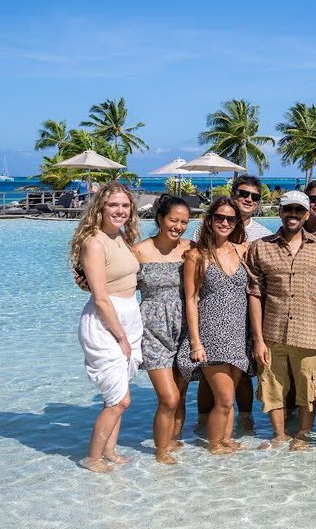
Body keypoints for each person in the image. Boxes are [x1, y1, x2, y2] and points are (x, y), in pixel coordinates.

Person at [245, 191, 316, 451]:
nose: (293, 214)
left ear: (306, 214)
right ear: (280, 212)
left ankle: (303, 435)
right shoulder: (260, 247)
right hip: (272, 331)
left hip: (309, 331)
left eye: (298, 210)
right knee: (272, 387)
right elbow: (255, 294)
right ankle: (279, 434)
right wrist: (258, 339)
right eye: (287, 209)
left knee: (308, 388)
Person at [71, 182, 143, 473]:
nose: (120, 211)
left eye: (125, 205)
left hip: (128, 315)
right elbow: (100, 298)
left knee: (119, 392)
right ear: (100, 206)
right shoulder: (94, 242)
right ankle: (91, 458)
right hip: (106, 322)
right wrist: (121, 337)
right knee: (120, 399)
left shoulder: (122, 237)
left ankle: (109, 450)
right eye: (113, 205)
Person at [179, 197, 251, 455]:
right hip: (211, 335)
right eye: (219, 217)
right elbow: (191, 299)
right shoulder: (197, 256)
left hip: (239, 334)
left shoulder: (242, 251)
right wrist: (196, 342)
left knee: (229, 398)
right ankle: (214, 445)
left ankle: (226, 439)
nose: (224, 222)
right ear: (209, 220)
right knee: (223, 397)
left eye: (230, 219)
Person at [194, 174, 265, 432]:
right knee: (213, 385)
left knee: (240, 381)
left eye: (254, 197)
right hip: (212, 322)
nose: (248, 199)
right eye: (243, 194)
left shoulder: (257, 238)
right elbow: (188, 265)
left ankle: (238, 427)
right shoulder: (201, 242)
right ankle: (207, 429)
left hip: (242, 321)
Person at [133, 194, 192, 465]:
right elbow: (118, 285)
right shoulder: (139, 251)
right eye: (173, 220)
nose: (178, 226)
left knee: (180, 393)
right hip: (152, 330)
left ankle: (174, 439)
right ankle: (161, 451)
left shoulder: (191, 249)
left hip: (185, 327)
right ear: (160, 219)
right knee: (168, 397)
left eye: (184, 222)